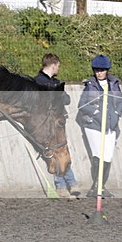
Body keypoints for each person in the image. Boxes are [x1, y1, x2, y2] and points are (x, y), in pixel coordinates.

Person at [77, 54, 122, 198]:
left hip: (111, 125)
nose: (99, 73)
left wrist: (117, 113)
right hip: (93, 125)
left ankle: (99, 186)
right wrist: (95, 111)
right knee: (97, 155)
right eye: (96, 70)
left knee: (108, 157)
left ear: (107, 71)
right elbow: (82, 105)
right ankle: (98, 187)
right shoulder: (90, 85)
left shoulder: (114, 84)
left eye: (102, 70)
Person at [34, 53, 82, 197]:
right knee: (55, 153)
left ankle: (70, 183)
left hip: (58, 122)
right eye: (58, 66)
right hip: (47, 124)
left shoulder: (55, 82)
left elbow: (66, 99)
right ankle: (64, 185)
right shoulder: (38, 82)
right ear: (53, 65)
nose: (58, 69)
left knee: (62, 153)